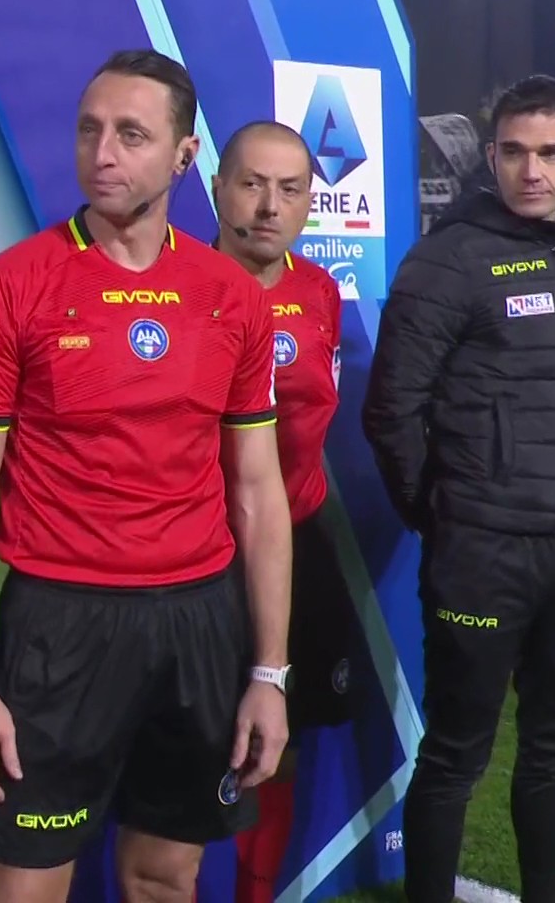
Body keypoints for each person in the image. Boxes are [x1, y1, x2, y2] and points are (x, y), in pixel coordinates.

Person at [0, 49, 291, 902]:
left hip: (200, 622)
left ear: (184, 155)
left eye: (132, 134)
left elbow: (257, 492)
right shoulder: (9, 288)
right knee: (26, 887)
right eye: (90, 130)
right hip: (60, 627)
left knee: (167, 875)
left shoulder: (230, 296)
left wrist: (269, 674)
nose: (103, 153)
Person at [361, 74, 555, 903]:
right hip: (482, 553)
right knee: (455, 754)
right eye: (514, 151)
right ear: (491, 156)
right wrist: (442, 513)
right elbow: (390, 409)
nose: (531, 170)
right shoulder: (448, 261)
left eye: (550, 152)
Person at [210, 121, 359, 903]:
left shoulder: (319, 293)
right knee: (190, 744)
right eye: (252, 184)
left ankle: (256, 891)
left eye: (291, 189)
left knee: (282, 739)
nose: (270, 206)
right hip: (199, 558)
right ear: (218, 190)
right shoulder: (180, 287)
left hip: (297, 545)